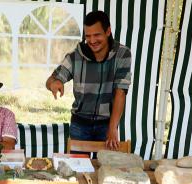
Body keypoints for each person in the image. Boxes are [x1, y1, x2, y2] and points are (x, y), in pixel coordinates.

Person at [45, 10, 132, 150]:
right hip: (79, 124)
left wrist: (113, 127)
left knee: (106, 168)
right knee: (77, 168)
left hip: (107, 124)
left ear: (108, 31)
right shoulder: (75, 56)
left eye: (97, 35)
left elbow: (120, 92)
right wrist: (54, 83)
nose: (92, 41)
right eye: (88, 36)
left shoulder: (123, 54)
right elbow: (50, 80)